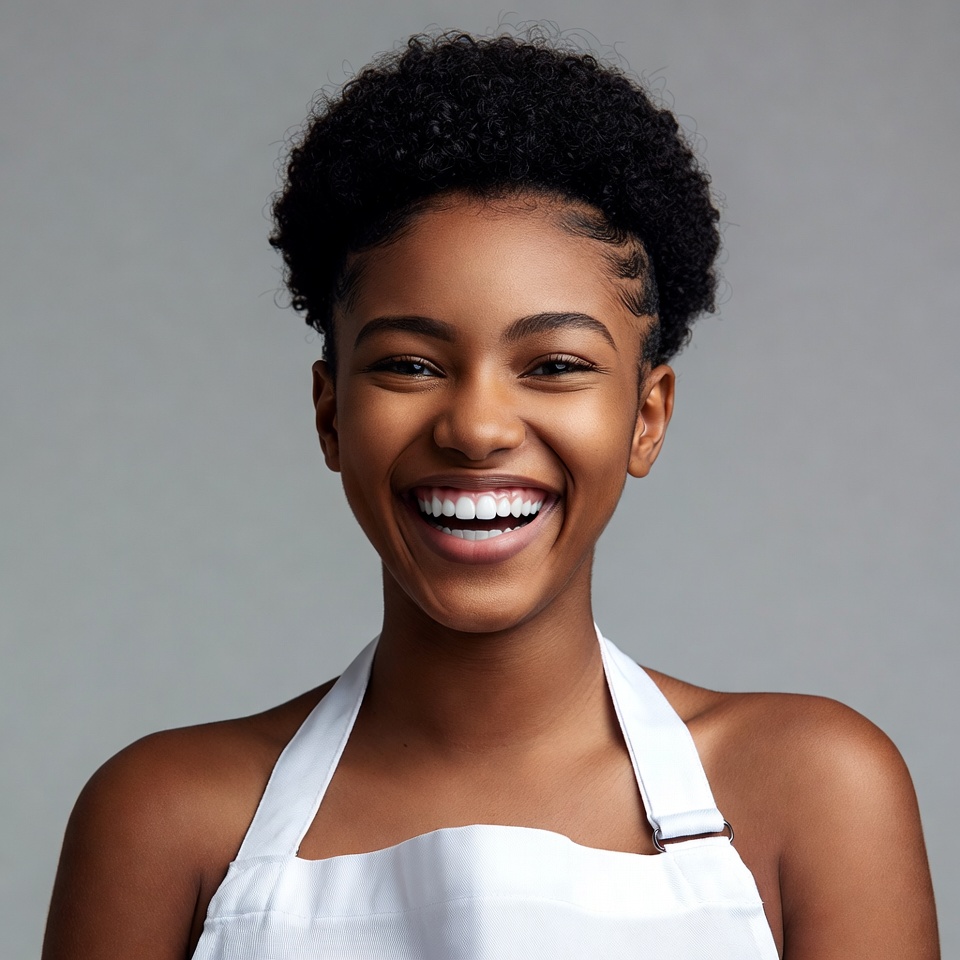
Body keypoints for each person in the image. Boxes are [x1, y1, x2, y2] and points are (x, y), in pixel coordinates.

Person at [42, 30, 939, 960]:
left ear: (647, 416)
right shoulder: (164, 818)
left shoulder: (815, 792)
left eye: (553, 365)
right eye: (409, 364)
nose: (476, 427)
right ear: (330, 414)